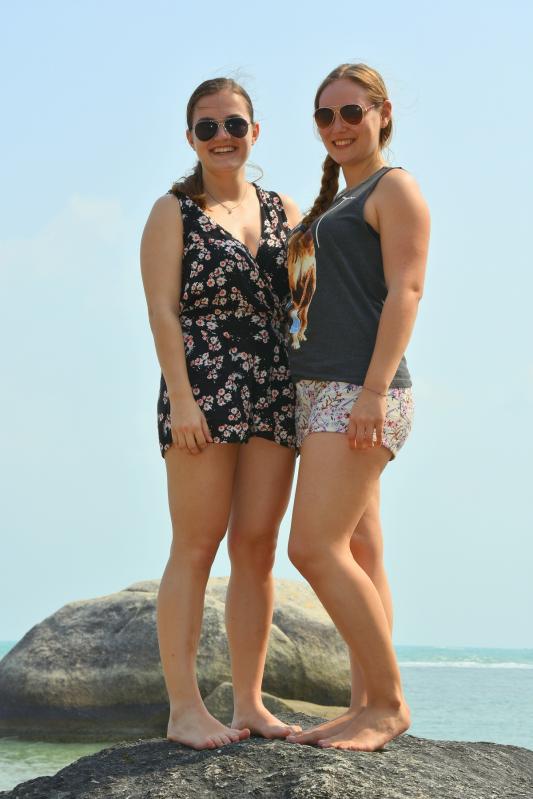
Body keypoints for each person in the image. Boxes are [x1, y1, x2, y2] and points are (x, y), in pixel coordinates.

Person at [140, 77, 301, 750]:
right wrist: (181, 397)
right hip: (201, 387)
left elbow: (308, 305)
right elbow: (161, 310)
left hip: (274, 386)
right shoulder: (172, 212)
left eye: (233, 124)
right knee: (196, 544)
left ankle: (249, 703)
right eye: (207, 128)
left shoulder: (285, 210)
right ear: (191, 139)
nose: (222, 137)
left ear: (254, 132)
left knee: (257, 547)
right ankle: (184, 708)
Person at [284, 63, 430, 751]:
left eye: (351, 112)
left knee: (312, 547)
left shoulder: (393, 188)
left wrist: (372, 392)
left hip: (359, 392)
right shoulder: (334, 204)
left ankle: (389, 703)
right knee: (363, 551)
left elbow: (407, 291)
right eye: (325, 115)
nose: (337, 126)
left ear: (382, 113)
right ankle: (362, 703)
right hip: (321, 390)